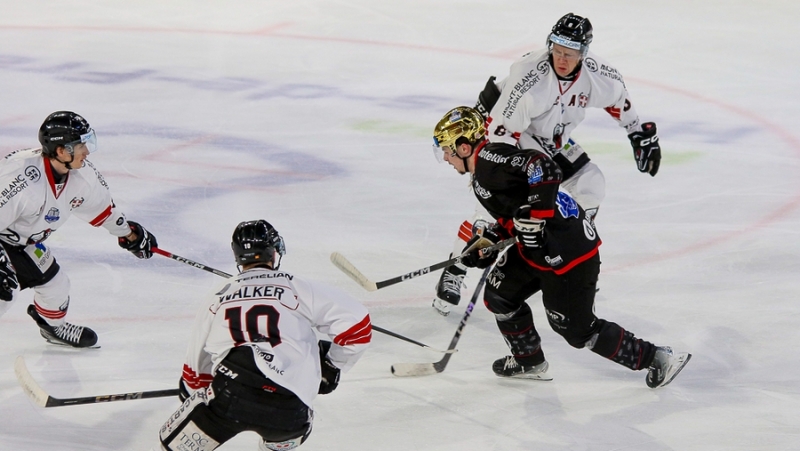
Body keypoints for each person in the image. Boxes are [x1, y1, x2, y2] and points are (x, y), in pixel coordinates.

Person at [430, 106, 689, 388]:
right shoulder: (484, 170)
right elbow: (514, 212)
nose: (445, 157)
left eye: (447, 149)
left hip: (571, 255)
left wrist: (537, 219)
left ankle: (658, 358)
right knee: (499, 293)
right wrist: (489, 241)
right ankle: (530, 361)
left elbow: (545, 167)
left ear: (464, 147)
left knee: (578, 332)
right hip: (540, 250)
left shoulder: (491, 160)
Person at [431, 12, 662, 316]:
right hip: (509, 130)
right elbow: (502, 139)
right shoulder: (529, 78)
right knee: (493, 205)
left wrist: (638, 134)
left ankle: (567, 251)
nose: (561, 59)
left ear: (583, 53)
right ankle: (457, 267)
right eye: (556, 50)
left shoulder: (597, 76)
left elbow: (619, 100)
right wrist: (505, 184)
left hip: (550, 138)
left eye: (569, 53)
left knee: (590, 184)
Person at [155, 219, 372, 451]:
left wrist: (195, 394)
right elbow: (357, 326)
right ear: (273, 252)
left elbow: (196, 369)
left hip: (230, 396)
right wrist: (331, 366)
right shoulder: (296, 286)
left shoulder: (219, 295)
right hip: (290, 415)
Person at [0, 111, 158, 348]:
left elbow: (103, 210)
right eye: (80, 144)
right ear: (61, 150)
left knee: (56, 286)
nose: (87, 150)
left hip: (23, 243)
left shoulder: (82, 175)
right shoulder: (19, 178)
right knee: (5, 292)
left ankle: (53, 328)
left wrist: (130, 235)